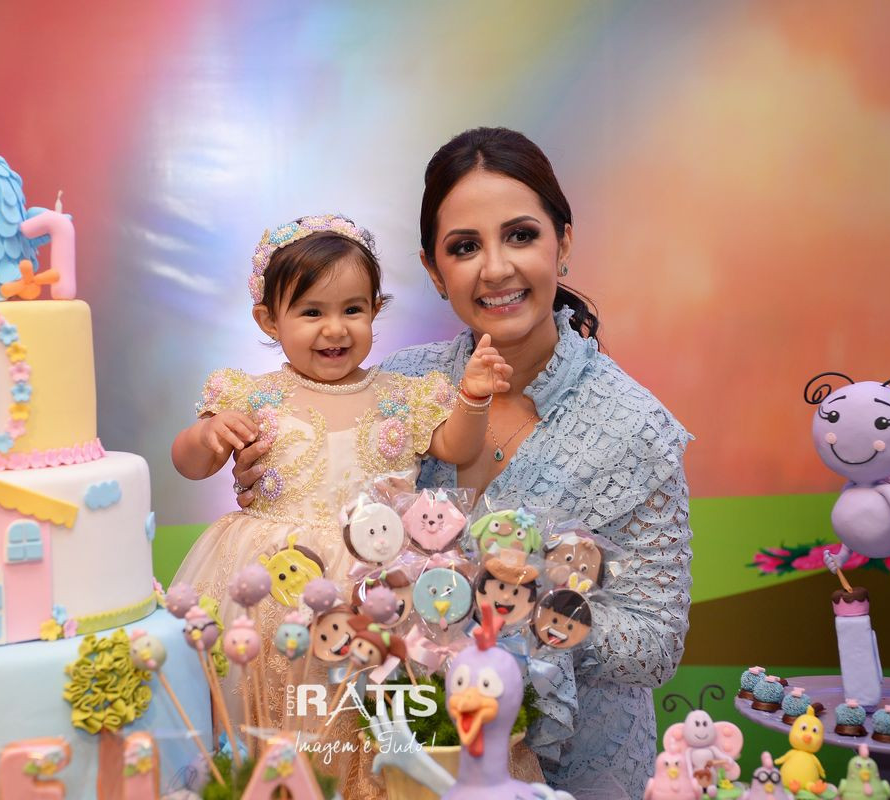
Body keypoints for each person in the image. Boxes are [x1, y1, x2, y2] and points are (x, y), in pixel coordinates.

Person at [234, 129, 693, 799]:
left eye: (520, 236)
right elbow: (331, 511)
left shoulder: (635, 429)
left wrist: (509, 614)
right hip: (406, 765)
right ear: (433, 270)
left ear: (563, 243)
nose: (495, 269)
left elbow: (655, 644)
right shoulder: (399, 389)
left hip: (574, 774)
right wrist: (268, 471)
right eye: (465, 247)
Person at [170, 213, 510, 788]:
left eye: (353, 309)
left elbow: (456, 447)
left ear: (375, 310)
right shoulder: (250, 395)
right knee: (274, 697)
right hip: (274, 577)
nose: (335, 329)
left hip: (374, 576)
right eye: (311, 312)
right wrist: (208, 434)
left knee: (363, 706)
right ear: (268, 320)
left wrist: (473, 398)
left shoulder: (403, 396)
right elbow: (190, 463)